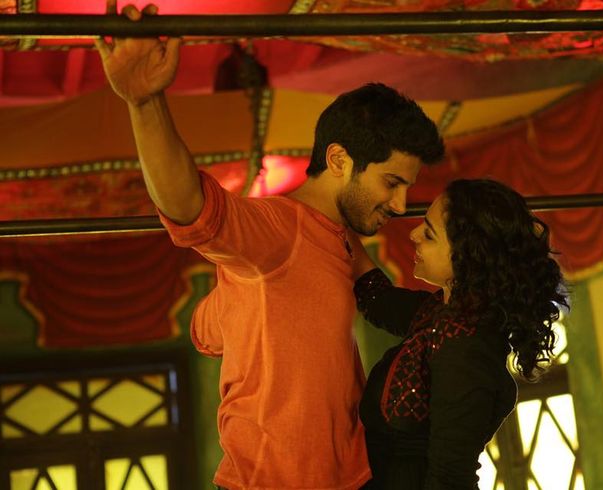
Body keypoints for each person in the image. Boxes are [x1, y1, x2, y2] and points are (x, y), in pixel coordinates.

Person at [95, 5, 444, 490]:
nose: (401, 203)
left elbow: (206, 331)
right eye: (391, 182)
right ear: (339, 159)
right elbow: (187, 204)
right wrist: (145, 103)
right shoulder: (279, 229)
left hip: (353, 478)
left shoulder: (336, 239)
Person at [348, 179, 567, 489]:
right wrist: (335, 223)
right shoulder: (440, 315)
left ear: (466, 258)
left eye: (428, 233)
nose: (413, 235)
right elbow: (376, 298)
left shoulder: (467, 346)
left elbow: (449, 479)